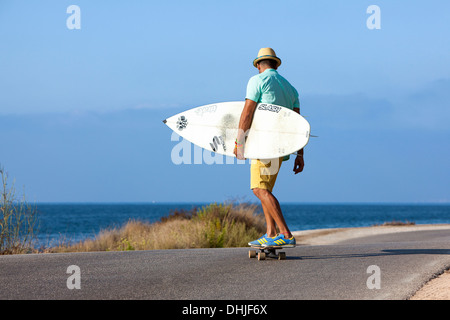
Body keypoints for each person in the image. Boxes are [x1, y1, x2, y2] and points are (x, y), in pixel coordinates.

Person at [233, 48, 304, 248]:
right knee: (266, 189)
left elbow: (247, 112)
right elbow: (298, 124)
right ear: (275, 64)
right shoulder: (291, 88)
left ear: (258, 65)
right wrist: (300, 154)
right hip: (282, 148)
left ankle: (285, 234)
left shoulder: (257, 81)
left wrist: (239, 142)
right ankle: (271, 233)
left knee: (258, 188)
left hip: (264, 144)